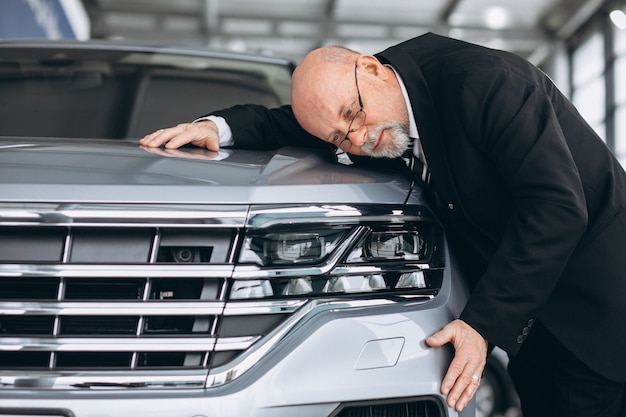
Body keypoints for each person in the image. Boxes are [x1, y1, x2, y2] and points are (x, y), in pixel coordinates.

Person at [140, 32, 626, 416]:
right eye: (339, 136)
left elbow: (557, 208)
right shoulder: (366, 107)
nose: (359, 138)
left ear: (371, 68)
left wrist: (480, 324)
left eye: (354, 116)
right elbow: (285, 123)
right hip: (533, 319)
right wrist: (215, 128)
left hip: (598, 306)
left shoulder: (487, 82)